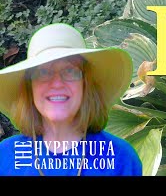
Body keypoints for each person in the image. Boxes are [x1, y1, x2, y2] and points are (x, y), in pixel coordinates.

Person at [0, 23, 142, 176]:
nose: (57, 83)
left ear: (85, 85)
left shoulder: (121, 158)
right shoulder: (5, 157)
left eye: (69, 71)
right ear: (29, 89)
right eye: (43, 72)